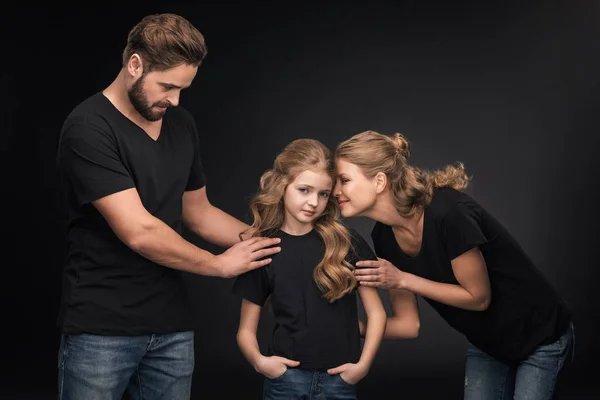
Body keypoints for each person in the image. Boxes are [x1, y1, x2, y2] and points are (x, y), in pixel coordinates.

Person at [55, 13, 280, 400]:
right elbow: (139, 230)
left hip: (172, 328)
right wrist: (217, 265)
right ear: (135, 64)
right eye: (167, 86)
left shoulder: (180, 123)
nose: (174, 100)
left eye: (183, 89)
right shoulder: (88, 127)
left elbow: (199, 213)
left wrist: (275, 243)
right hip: (101, 329)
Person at [334, 130, 574, 400]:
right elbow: (408, 324)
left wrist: (402, 279)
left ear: (379, 182)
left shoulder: (447, 213)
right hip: (488, 343)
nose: (335, 191)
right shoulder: (384, 237)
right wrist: (352, 328)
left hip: (540, 335)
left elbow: (479, 298)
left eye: (344, 180)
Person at [232, 138, 387, 400]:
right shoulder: (263, 249)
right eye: (304, 190)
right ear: (283, 187)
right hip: (286, 381)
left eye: (323, 194)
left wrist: (362, 367)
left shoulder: (346, 242)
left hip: (340, 380)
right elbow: (245, 330)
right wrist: (261, 362)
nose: (314, 202)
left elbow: (377, 314)